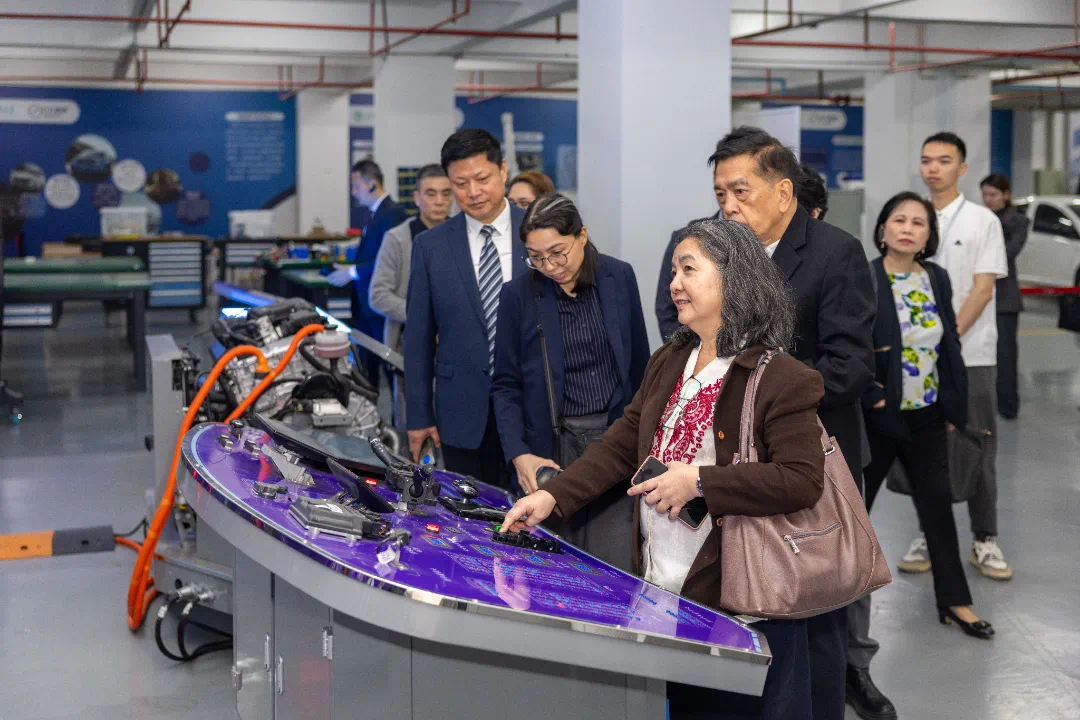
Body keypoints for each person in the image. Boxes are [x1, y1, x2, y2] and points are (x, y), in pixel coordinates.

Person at [502, 218, 826, 720]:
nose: (674, 283)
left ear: (735, 278)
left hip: (735, 598)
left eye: (688, 269)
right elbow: (622, 443)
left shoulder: (781, 377)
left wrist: (698, 481)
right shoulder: (672, 359)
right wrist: (553, 495)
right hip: (660, 586)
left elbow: (801, 480)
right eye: (674, 270)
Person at [709, 127, 878, 720]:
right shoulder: (721, 252)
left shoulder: (835, 252)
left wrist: (766, 403)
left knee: (816, 605)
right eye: (720, 194)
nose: (728, 206)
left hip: (812, 457)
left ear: (783, 192)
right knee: (747, 593)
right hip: (734, 460)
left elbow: (850, 365)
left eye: (740, 191)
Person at [491, 194, 649, 570]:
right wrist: (518, 453)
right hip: (554, 448)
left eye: (557, 253)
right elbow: (505, 384)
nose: (549, 266)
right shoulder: (518, 296)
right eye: (536, 257)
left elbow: (641, 368)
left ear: (582, 235)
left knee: (614, 564)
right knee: (555, 565)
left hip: (615, 443)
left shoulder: (619, 277)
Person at [863, 191, 994, 642]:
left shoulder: (935, 277)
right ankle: (833, 603)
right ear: (883, 229)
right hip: (878, 417)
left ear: (928, 236)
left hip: (927, 415)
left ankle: (954, 601)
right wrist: (875, 398)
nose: (907, 229)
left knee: (938, 507)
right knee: (855, 510)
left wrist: (953, 406)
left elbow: (948, 344)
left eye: (918, 223)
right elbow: (852, 344)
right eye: (899, 220)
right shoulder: (866, 277)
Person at [910, 132, 1011, 581]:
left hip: (971, 357)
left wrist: (944, 339)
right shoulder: (912, 217)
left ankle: (984, 538)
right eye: (927, 160)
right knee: (925, 449)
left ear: (962, 168)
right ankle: (929, 534)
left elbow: (983, 289)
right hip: (918, 361)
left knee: (976, 444)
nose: (933, 168)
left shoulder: (982, 221)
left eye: (944, 160)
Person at [404, 129, 526, 489]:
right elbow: (418, 339)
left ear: (503, 170)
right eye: (460, 183)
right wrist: (418, 416)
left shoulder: (537, 232)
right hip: (460, 411)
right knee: (466, 510)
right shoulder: (431, 246)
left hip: (531, 409)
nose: (473, 192)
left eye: (482, 179)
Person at [369, 164, 453, 430]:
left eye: (446, 193)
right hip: (409, 348)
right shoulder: (397, 239)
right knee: (412, 428)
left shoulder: (463, 236)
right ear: (417, 197)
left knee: (454, 425)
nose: (439, 201)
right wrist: (427, 319)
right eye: (431, 193)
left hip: (456, 347)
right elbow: (378, 295)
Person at [328, 159, 407, 383]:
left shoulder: (393, 214)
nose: (354, 193)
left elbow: (390, 260)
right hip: (366, 304)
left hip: (380, 306)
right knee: (366, 368)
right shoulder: (375, 213)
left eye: (356, 186)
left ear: (372, 184)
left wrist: (353, 272)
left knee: (390, 368)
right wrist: (349, 267)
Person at [979, 173, 1029, 419]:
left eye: (994, 195)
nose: (988, 199)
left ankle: (1008, 405)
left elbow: (1006, 254)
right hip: (978, 294)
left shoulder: (1017, 221)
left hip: (1004, 298)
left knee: (1006, 356)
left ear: (1006, 195)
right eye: (985, 195)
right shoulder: (980, 219)